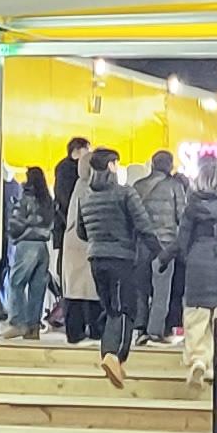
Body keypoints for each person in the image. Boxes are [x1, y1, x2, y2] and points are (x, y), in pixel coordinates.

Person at [75, 147, 147, 386]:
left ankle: (110, 356)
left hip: (96, 258)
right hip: (121, 258)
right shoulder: (125, 193)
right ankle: (114, 356)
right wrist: (160, 252)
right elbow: (143, 225)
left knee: (110, 309)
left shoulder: (85, 195)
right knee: (125, 308)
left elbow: (81, 231)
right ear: (110, 166)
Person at [177, 152, 217, 385]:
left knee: (196, 315)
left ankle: (198, 359)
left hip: (198, 258)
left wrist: (189, 256)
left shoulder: (192, 206)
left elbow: (182, 240)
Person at [127, 148, 189, 341]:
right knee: (162, 290)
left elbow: (131, 217)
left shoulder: (137, 186)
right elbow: (182, 217)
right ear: (169, 166)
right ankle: (155, 330)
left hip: (142, 244)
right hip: (166, 246)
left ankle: (140, 327)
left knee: (141, 288)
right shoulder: (175, 186)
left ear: (153, 165)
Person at [2, 166, 54, 335]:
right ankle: (33, 327)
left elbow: (15, 224)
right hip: (43, 246)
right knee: (37, 289)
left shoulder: (25, 198)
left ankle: (18, 322)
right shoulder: (47, 200)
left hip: (27, 245)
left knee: (16, 283)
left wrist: (12, 234)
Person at [54, 146, 98, 343]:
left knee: (74, 290)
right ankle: (93, 329)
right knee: (90, 290)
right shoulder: (90, 188)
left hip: (72, 243)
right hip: (86, 243)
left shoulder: (78, 187)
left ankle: (75, 331)